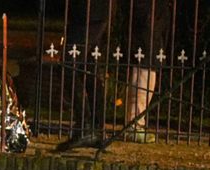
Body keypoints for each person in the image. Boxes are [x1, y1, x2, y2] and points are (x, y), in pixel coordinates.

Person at [57, 0, 173, 150]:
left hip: (91, 11)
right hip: (95, 12)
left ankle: (85, 127)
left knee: (68, 67)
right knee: (88, 69)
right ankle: (96, 129)